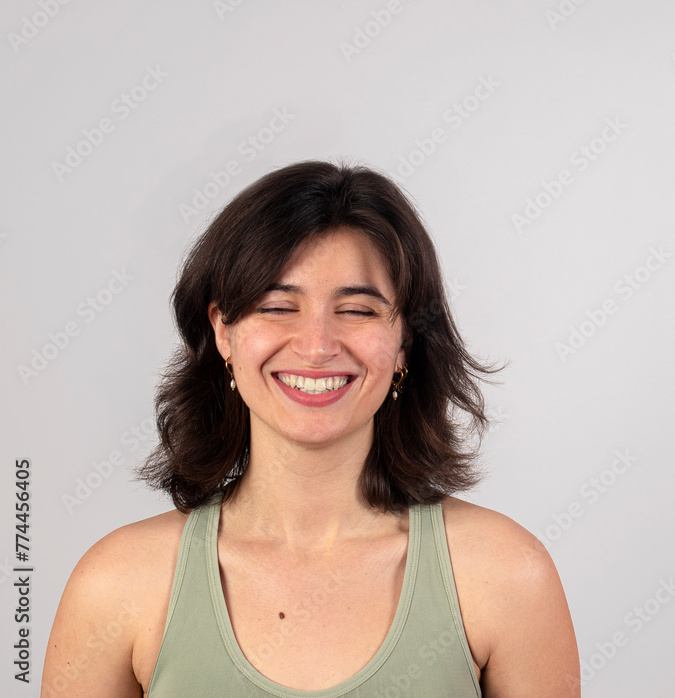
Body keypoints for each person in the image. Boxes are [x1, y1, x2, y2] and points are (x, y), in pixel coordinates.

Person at [41, 161, 580, 697]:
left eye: (358, 311)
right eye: (277, 306)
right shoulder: (116, 586)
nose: (318, 345)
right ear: (223, 333)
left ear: (404, 345)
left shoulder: (507, 576)